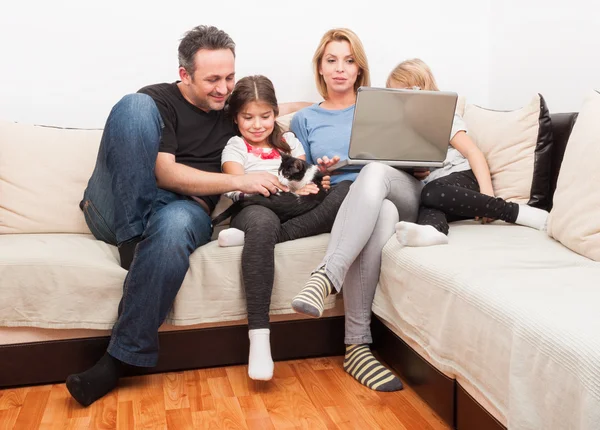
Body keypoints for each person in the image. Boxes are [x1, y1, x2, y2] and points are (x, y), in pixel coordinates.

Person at [65, 25, 293, 407]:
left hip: (182, 210)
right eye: (213, 79)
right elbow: (166, 173)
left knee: (174, 228)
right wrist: (243, 181)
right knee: (133, 106)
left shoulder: (232, 111)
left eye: (230, 77)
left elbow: (269, 111)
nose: (224, 88)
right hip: (119, 205)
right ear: (185, 75)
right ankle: (131, 240)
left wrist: (317, 111)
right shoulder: (160, 100)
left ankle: (117, 359)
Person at [290, 29, 424, 392]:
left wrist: (419, 160)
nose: (340, 69)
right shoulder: (304, 119)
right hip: (354, 202)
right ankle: (357, 347)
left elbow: (413, 154)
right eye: (331, 60)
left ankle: (326, 277)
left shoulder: (382, 105)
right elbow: (301, 173)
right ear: (319, 67)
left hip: (399, 188)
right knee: (378, 212)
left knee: (374, 170)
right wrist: (320, 176)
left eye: (349, 61)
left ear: (359, 68)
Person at [217, 75, 352, 380]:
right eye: (247, 117)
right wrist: (278, 187)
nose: (257, 125)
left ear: (275, 114)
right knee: (263, 219)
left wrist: (320, 181)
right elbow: (235, 187)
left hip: (295, 207)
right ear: (236, 118)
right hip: (255, 207)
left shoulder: (289, 141)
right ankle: (260, 338)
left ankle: (262, 237)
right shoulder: (235, 146)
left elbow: (306, 179)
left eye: (265, 116)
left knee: (345, 191)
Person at [387, 59, 549, 246]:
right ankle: (433, 231)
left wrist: (487, 192)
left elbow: (473, 152)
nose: (404, 101)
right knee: (428, 203)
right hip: (440, 191)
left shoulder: (441, 116)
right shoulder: (404, 130)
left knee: (432, 193)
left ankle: (512, 211)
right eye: (397, 96)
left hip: (463, 178)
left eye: (408, 93)